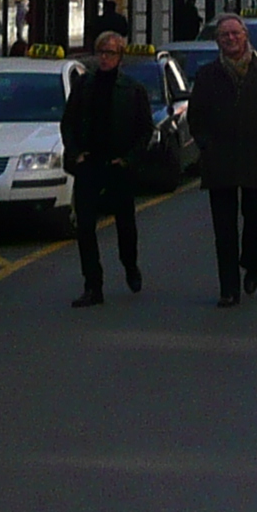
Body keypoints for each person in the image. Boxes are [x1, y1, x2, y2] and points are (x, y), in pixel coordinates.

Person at [186, 13, 257, 306]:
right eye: (224, 36)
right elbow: (197, 117)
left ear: (246, 37)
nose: (231, 39)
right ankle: (228, 288)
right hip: (221, 160)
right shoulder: (208, 75)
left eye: (235, 34)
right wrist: (207, 145)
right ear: (218, 41)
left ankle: (252, 263)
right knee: (224, 228)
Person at [60, 27, 154, 306]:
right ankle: (93, 285)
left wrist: (128, 159)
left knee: (125, 223)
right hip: (89, 164)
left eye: (110, 53)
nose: (104, 58)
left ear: (120, 57)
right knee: (85, 227)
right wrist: (75, 154)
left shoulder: (132, 90)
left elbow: (144, 130)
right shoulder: (84, 85)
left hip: (119, 166)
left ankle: (130, 264)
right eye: (101, 52)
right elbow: (68, 123)